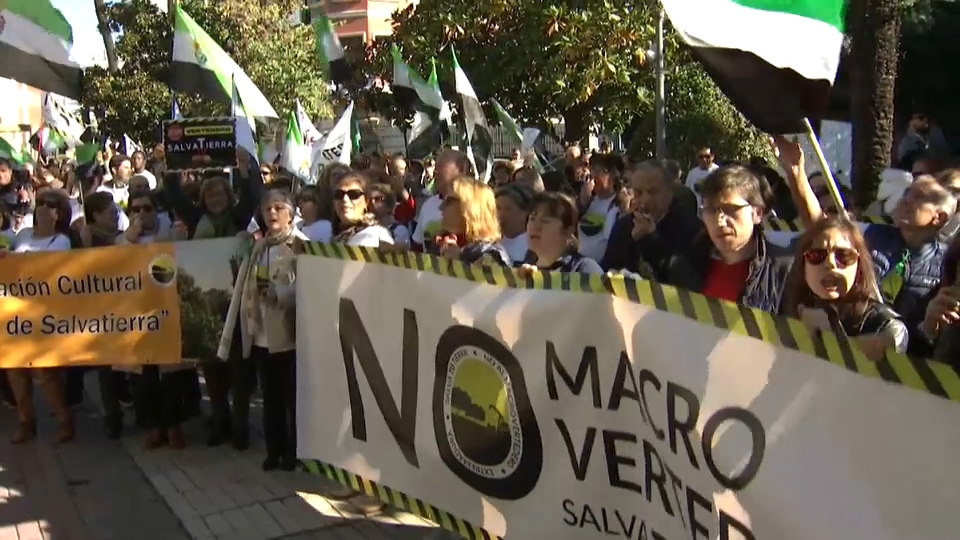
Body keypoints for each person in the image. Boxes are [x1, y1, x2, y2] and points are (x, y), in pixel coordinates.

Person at [218, 189, 306, 471]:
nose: (272, 213)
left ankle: (294, 452)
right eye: (267, 208)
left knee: (292, 398)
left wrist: (279, 294)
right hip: (260, 335)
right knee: (270, 398)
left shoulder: (300, 244)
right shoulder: (259, 247)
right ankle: (273, 450)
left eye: (278, 207)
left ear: (290, 213)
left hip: (288, 335)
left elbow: (307, 286)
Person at [666, 166, 794, 313]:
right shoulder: (685, 265)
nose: (719, 221)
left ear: (757, 213)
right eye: (711, 210)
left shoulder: (784, 273)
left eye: (730, 209)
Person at [783, 217, 908, 360]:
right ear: (802, 265)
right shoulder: (786, 306)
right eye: (817, 255)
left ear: (859, 265)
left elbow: (899, 334)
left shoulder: (879, 323)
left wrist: (883, 341)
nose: (830, 263)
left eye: (843, 255)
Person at [7, 189, 75, 444]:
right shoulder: (23, 235)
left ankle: (64, 419)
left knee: (46, 372)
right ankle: (26, 421)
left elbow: (56, 272)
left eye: (51, 205)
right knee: (14, 368)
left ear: (59, 214)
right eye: (41, 204)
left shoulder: (61, 242)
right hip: (14, 310)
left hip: (44, 312)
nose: (43, 208)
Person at [432, 177, 511, 266]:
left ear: (470, 208)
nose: (441, 207)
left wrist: (458, 263)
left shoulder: (493, 256)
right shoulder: (441, 245)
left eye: (449, 201)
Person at [521, 191, 603, 274]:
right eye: (532, 218)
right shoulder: (521, 271)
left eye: (545, 221)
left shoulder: (584, 269)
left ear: (569, 230)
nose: (535, 226)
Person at [411, 149, 473, 252]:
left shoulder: (476, 206)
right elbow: (417, 247)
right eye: (435, 166)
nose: (435, 172)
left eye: (441, 166)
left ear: (461, 170)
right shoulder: (428, 204)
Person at [329, 172, 395, 247]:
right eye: (339, 194)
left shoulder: (374, 235)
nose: (345, 199)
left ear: (366, 202)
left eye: (354, 194)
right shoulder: (332, 236)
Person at [577, 153, 622, 261]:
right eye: (592, 171)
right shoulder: (590, 200)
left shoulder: (617, 203)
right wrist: (582, 202)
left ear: (612, 176)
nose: (593, 176)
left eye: (598, 172)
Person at [495, 184, 532, 264]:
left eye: (507, 209)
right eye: (498, 208)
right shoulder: (491, 242)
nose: (500, 214)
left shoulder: (533, 244)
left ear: (524, 214)